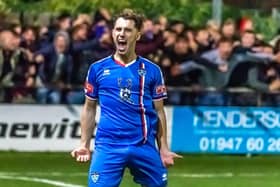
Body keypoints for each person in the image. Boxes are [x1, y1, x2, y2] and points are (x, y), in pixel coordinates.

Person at [71, 9, 181, 187]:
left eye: (127, 30)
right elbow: (89, 107)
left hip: (143, 145)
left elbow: (159, 111)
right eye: (118, 29)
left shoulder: (152, 70)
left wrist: (164, 148)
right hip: (109, 146)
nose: (122, 34)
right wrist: (84, 143)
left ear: (137, 35)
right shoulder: (97, 69)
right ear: (113, 33)